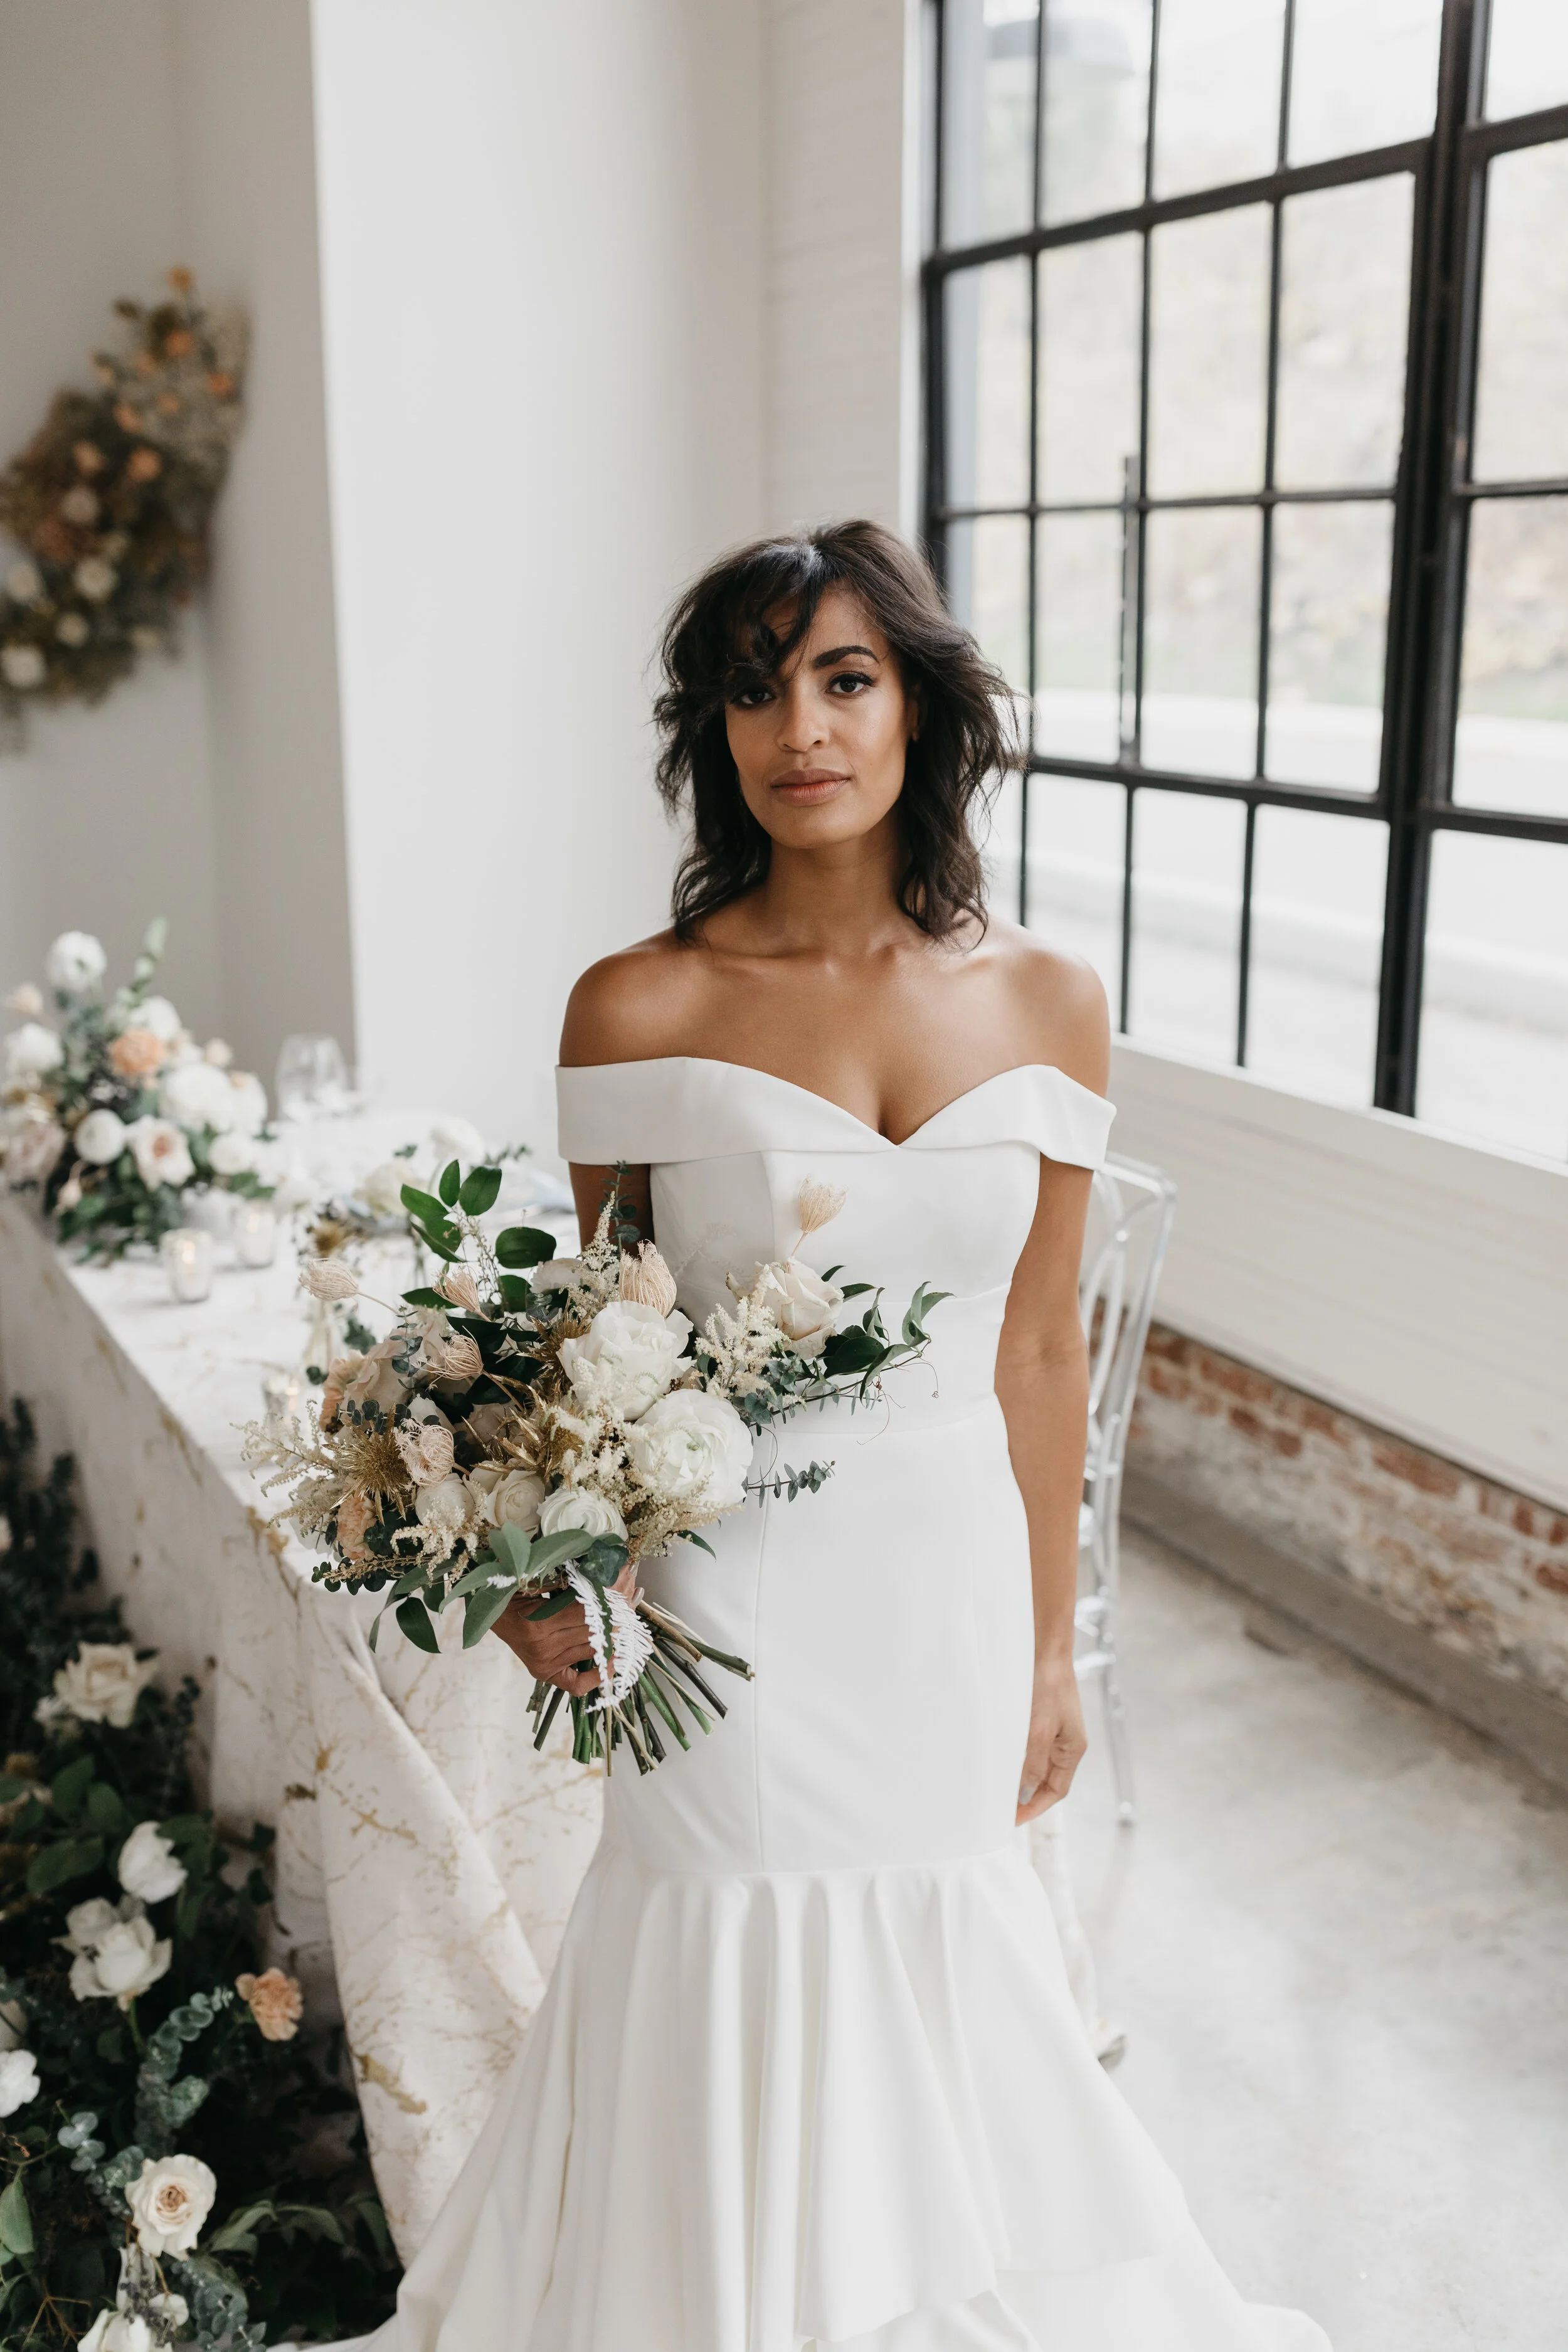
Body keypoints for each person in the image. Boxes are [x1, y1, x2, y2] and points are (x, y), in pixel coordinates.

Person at [339, 521, 1327, 2349]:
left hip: (943, 1583)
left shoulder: (1047, 1000)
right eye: (750, 684)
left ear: (918, 705)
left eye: (842, 675)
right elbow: (592, 1351)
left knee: (950, 1930)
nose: (797, 722)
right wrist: (532, 1574)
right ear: (711, 732)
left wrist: (1048, 1645)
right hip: (733, 1597)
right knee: (723, 1916)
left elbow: (1036, 1347)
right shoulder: (635, 1004)